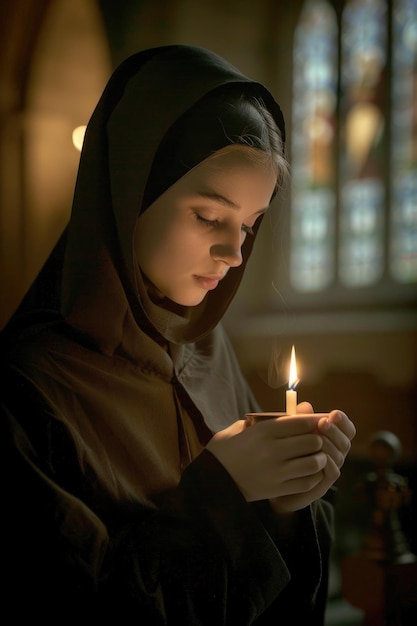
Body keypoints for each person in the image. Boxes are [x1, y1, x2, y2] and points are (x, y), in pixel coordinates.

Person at [0, 45, 356, 624]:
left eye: (248, 224)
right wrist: (223, 488)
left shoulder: (207, 350)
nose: (235, 253)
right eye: (209, 216)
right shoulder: (27, 387)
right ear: (131, 189)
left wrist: (290, 503)